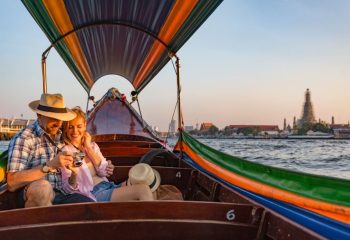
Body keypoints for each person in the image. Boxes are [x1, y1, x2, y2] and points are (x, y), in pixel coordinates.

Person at [6, 93, 114, 208]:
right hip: (35, 191)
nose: (58, 122)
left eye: (60, 118)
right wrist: (50, 166)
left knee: (90, 207)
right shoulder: (25, 138)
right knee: (43, 188)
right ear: (39, 115)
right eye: (52, 117)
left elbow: (80, 138)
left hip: (64, 193)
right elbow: (12, 182)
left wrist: (105, 164)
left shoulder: (61, 133)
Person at [60, 107, 154, 202]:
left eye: (79, 126)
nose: (75, 131)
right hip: (93, 194)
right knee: (143, 190)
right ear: (65, 129)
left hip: (108, 186)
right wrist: (74, 173)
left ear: (85, 125)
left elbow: (104, 171)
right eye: (70, 127)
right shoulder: (66, 152)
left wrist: (88, 148)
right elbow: (67, 188)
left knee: (146, 184)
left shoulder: (92, 146)